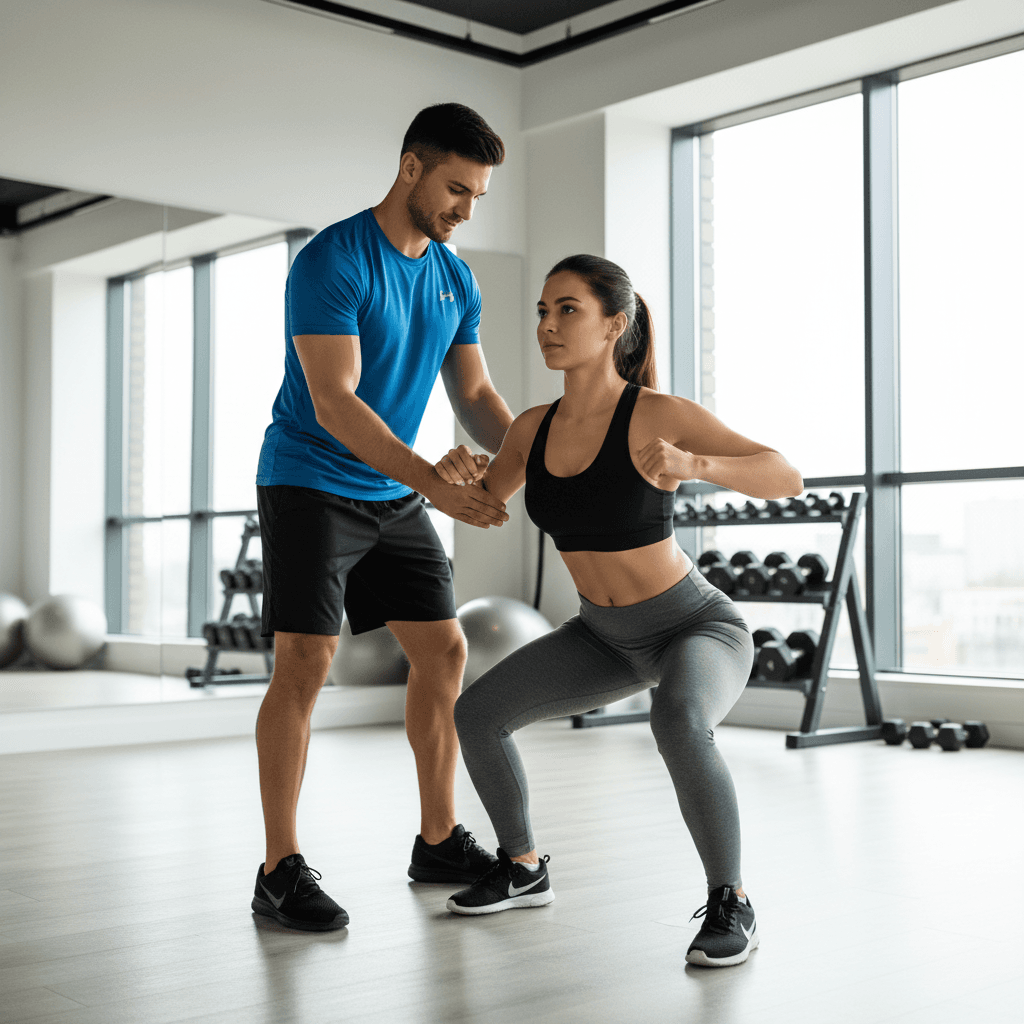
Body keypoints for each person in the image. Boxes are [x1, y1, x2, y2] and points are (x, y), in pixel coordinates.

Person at [433, 254, 803, 967]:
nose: (547, 324)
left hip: (696, 625)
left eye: (567, 309)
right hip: (603, 637)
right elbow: (482, 503)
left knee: (678, 718)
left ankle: (731, 899)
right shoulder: (532, 428)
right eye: (542, 310)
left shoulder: (657, 415)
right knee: (477, 714)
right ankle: (522, 866)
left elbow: (783, 472)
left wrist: (700, 466)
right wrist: (447, 478)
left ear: (616, 326)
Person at [250, 103, 516, 932]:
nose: (465, 210)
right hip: (311, 479)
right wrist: (436, 485)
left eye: (476, 196)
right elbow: (335, 403)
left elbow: (472, 395)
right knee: (305, 662)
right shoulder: (333, 259)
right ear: (410, 168)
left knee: (443, 651)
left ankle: (437, 839)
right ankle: (279, 869)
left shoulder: (453, 276)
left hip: (391, 490)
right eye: (455, 190)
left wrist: (541, 466)